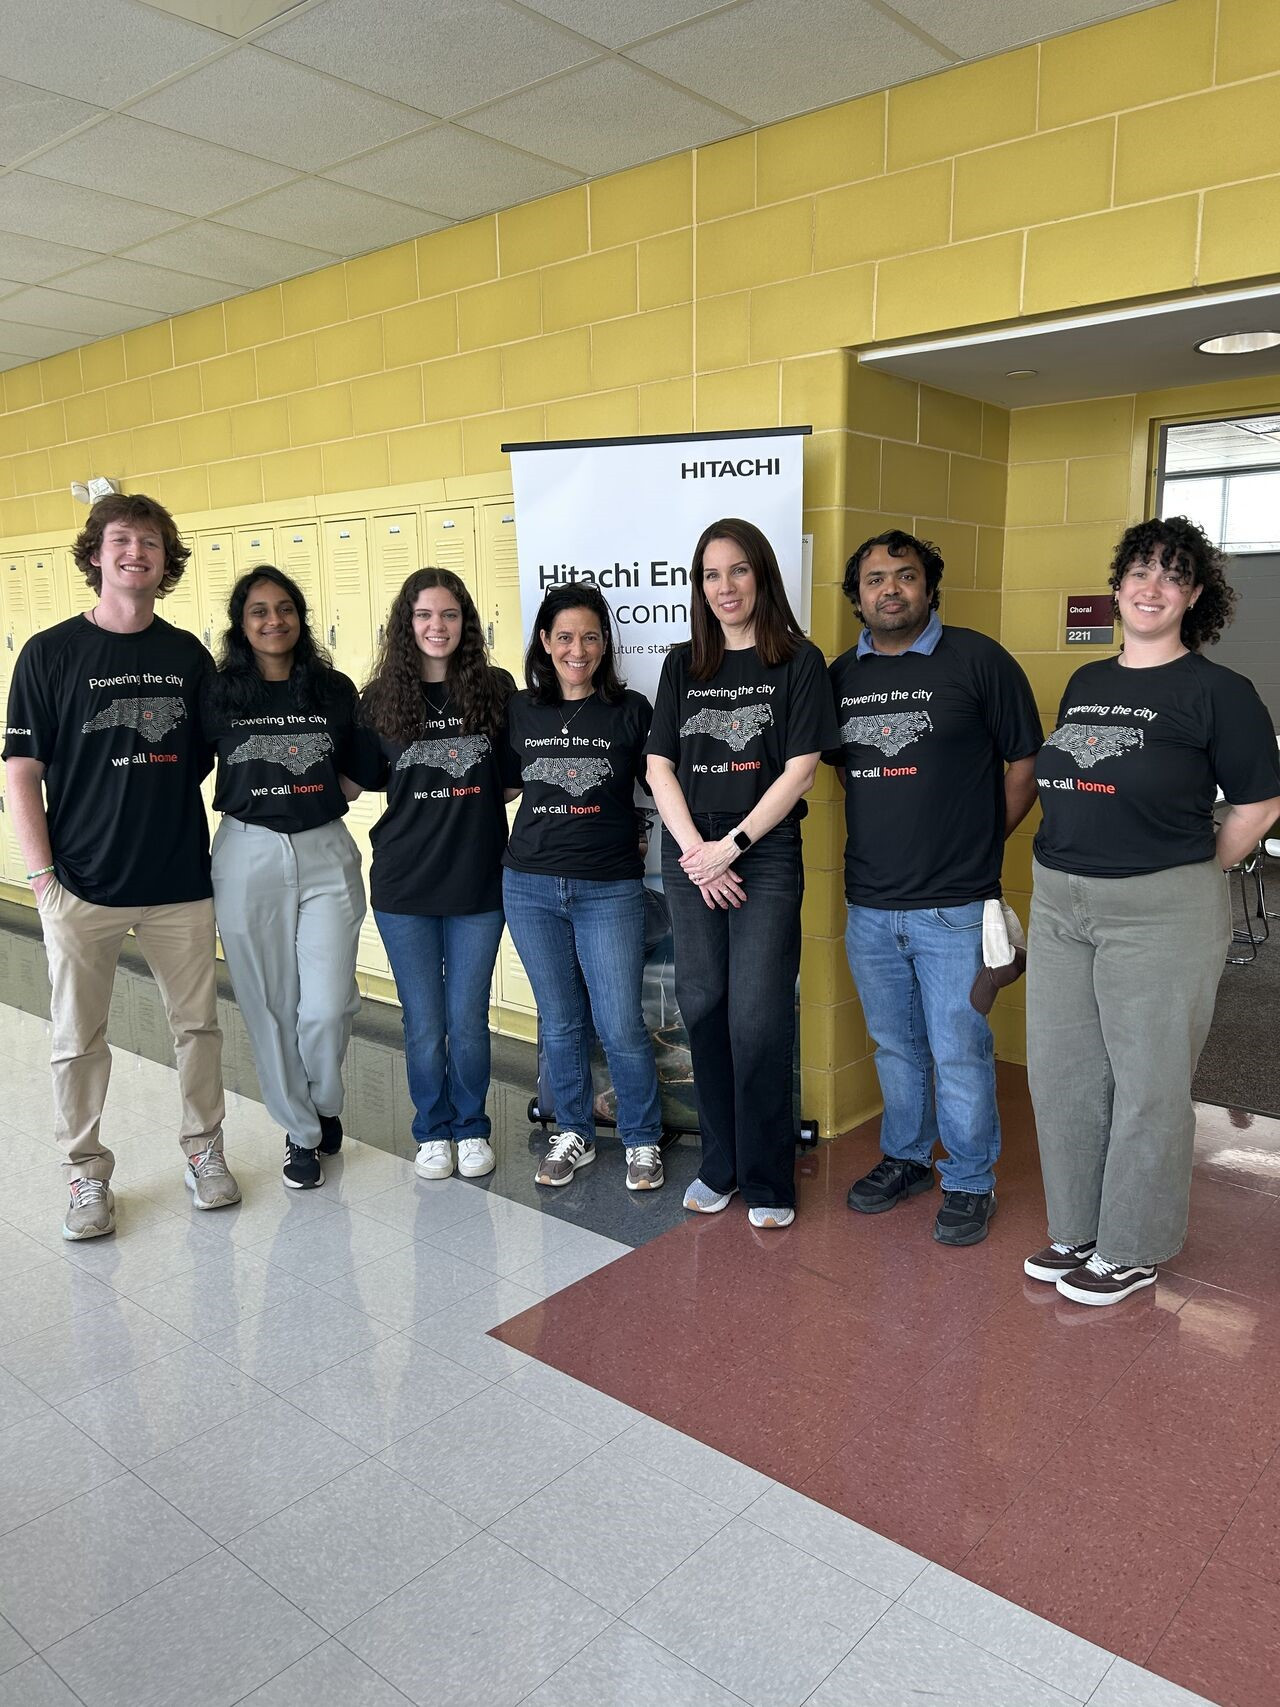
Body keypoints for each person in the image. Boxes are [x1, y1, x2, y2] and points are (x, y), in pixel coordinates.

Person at [1025, 516, 1280, 1304]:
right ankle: (1080, 1226)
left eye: (1172, 574)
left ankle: (1133, 1245)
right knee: (1064, 1075)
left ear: (1193, 595)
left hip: (1160, 905)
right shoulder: (1088, 682)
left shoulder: (1220, 693)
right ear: (1117, 586)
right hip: (1061, 898)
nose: (1151, 585)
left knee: (1149, 1082)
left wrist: (1197, 869)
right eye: (1140, 570)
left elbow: (1259, 804)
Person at [2, 493, 239, 1238]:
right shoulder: (49, 652)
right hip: (82, 884)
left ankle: (203, 1151)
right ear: (96, 555)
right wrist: (43, 879)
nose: (136, 551)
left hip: (177, 883)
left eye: (150, 541)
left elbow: (208, 755)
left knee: (197, 1028)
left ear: (166, 562)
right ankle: (85, 1174)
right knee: (77, 1039)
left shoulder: (187, 658)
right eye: (121, 539)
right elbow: (19, 772)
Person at [829, 530, 1042, 1246]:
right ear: (857, 597)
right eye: (874, 579)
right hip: (870, 904)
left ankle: (971, 1177)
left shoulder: (980, 660)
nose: (890, 588)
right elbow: (831, 768)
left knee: (959, 1048)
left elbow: (1025, 763)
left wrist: (983, 843)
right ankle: (908, 1157)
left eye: (905, 575)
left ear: (929, 586)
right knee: (895, 1045)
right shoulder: (838, 677)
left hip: (957, 906)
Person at [646, 517, 838, 1228]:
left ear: (761, 575)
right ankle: (720, 1163)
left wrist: (734, 844)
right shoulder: (682, 664)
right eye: (710, 574)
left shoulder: (798, 661)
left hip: (765, 857)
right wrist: (699, 851)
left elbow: (801, 768)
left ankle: (767, 1174)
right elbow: (658, 764)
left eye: (737, 570)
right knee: (702, 1006)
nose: (724, 586)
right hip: (694, 859)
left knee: (756, 1018)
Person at [202, 567, 365, 1191]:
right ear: (241, 626)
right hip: (248, 852)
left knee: (325, 1004)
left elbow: (356, 766)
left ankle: (324, 1101)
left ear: (300, 616)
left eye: (285, 609)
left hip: (325, 849)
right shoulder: (219, 693)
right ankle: (300, 1132)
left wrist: (319, 803)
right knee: (269, 1005)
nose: (274, 621)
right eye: (259, 612)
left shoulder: (330, 689)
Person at [503, 585, 664, 1192]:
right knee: (561, 1020)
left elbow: (662, 783)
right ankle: (571, 1131)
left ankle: (641, 1139)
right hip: (530, 886)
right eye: (565, 637)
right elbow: (503, 787)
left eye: (590, 637)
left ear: (606, 644)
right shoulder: (521, 710)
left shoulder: (631, 710)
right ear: (545, 641)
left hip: (609, 889)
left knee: (619, 1020)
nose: (578, 649)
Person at [358, 568, 515, 1182]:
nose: (437, 627)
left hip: (478, 881)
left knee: (468, 1016)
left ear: (465, 623)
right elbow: (365, 778)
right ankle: (432, 1131)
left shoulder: (494, 691)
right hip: (404, 886)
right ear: (407, 623)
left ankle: (472, 1127)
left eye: (449, 615)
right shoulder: (380, 700)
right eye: (424, 615)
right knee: (423, 1020)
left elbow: (507, 781)